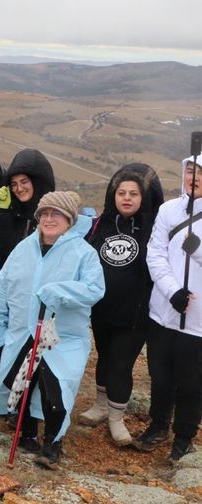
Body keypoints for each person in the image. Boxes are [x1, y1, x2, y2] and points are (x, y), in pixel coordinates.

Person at [0, 191, 105, 470]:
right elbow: (2, 287)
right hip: (22, 332)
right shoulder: (23, 249)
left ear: (69, 219)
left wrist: (59, 291)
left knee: (55, 388)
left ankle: (52, 443)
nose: (49, 219)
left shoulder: (83, 253)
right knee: (21, 384)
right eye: (44, 214)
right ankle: (27, 434)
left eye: (57, 214)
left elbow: (94, 290)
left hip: (61, 338)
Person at [79, 164, 163, 446]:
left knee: (121, 364)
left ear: (144, 197)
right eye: (121, 193)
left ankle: (116, 419)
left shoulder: (154, 227)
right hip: (102, 311)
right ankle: (101, 406)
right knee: (104, 357)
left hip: (135, 314)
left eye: (134, 193)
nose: (126, 198)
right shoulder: (100, 224)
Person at [133, 156, 201, 464]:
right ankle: (158, 424)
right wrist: (172, 290)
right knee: (159, 374)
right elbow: (155, 253)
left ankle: (184, 437)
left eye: (201, 173)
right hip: (163, 310)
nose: (193, 178)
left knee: (191, 381)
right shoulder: (169, 210)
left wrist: (197, 251)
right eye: (191, 171)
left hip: (198, 320)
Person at [0, 148, 56, 267]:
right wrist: (3, 213)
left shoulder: (55, 216)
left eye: (24, 182)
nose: (19, 189)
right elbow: (5, 251)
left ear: (37, 181)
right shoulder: (15, 213)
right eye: (14, 184)